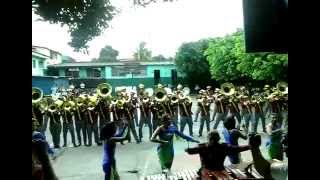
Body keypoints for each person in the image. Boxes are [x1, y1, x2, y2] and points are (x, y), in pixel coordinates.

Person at [185, 130, 251, 179]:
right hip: (220, 169)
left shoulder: (202, 147)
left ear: (208, 139)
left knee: (203, 173)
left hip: (206, 170)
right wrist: (249, 146)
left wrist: (187, 150)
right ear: (218, 138)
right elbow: (237, 149)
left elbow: (190, 151)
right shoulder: (224, 146)